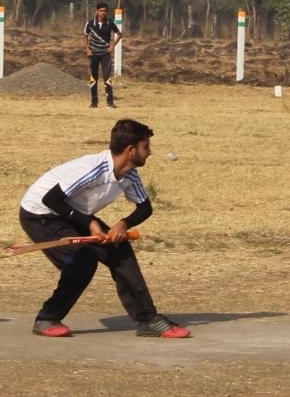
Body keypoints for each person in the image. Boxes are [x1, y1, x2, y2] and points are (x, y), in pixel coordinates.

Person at [18, 118, 189, 339]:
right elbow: (52, 199)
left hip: (70, 212)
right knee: (82, 263)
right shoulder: (93, 169)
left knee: (120, 252)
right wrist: (90, 223)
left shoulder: (129, 174)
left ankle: (147, 320)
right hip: (40, 214)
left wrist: (123, 224)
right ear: (130, 150)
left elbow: (145, 208)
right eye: (145, 147)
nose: (149, 153)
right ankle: (47, 318)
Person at [82, 2, 121, 109]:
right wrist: (87, 49)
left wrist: (112, 46)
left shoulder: (110, 23)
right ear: (97, 11)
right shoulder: (90, 23)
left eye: (104, 11)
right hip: (93, 53)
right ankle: (94, 102)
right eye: (101, 11)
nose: (103, 13)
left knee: (107, 77)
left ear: (107, 12)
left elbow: (119, 35)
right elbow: (85, 36)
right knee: (93, 77)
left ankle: (110, 102)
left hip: (105, 54)